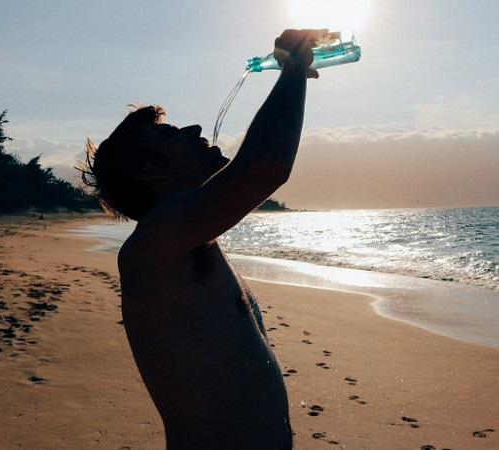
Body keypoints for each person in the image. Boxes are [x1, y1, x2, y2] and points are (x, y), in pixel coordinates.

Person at [80, 29, 324, 449]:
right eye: (172, 134)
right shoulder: (155, 243)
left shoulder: (189, 241)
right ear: (149, 171)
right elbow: (266, 165)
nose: (194, 128)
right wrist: (294, 67)